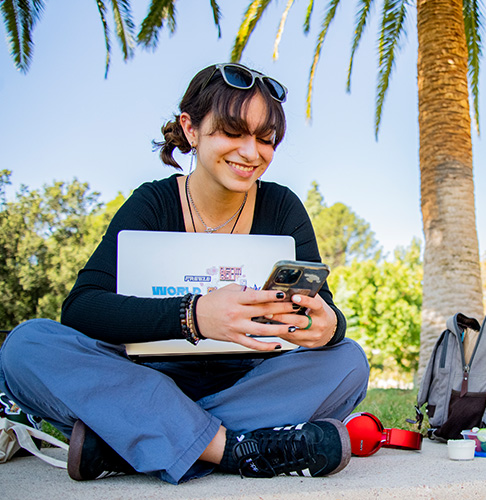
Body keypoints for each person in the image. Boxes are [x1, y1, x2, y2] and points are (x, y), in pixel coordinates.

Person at [0, 63, 370, 483]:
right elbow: (83, 309)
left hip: (248, 382)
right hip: (144, 378)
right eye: (232, 132)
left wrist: (326, 327)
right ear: (190, 129)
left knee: (349, 362)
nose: (252, 153)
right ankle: (232, 449)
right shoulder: (152, 202)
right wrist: (193, 316)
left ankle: (130, 440)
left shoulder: (282, 207)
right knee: (25, 346)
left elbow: (326, 314)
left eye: (266, 139)